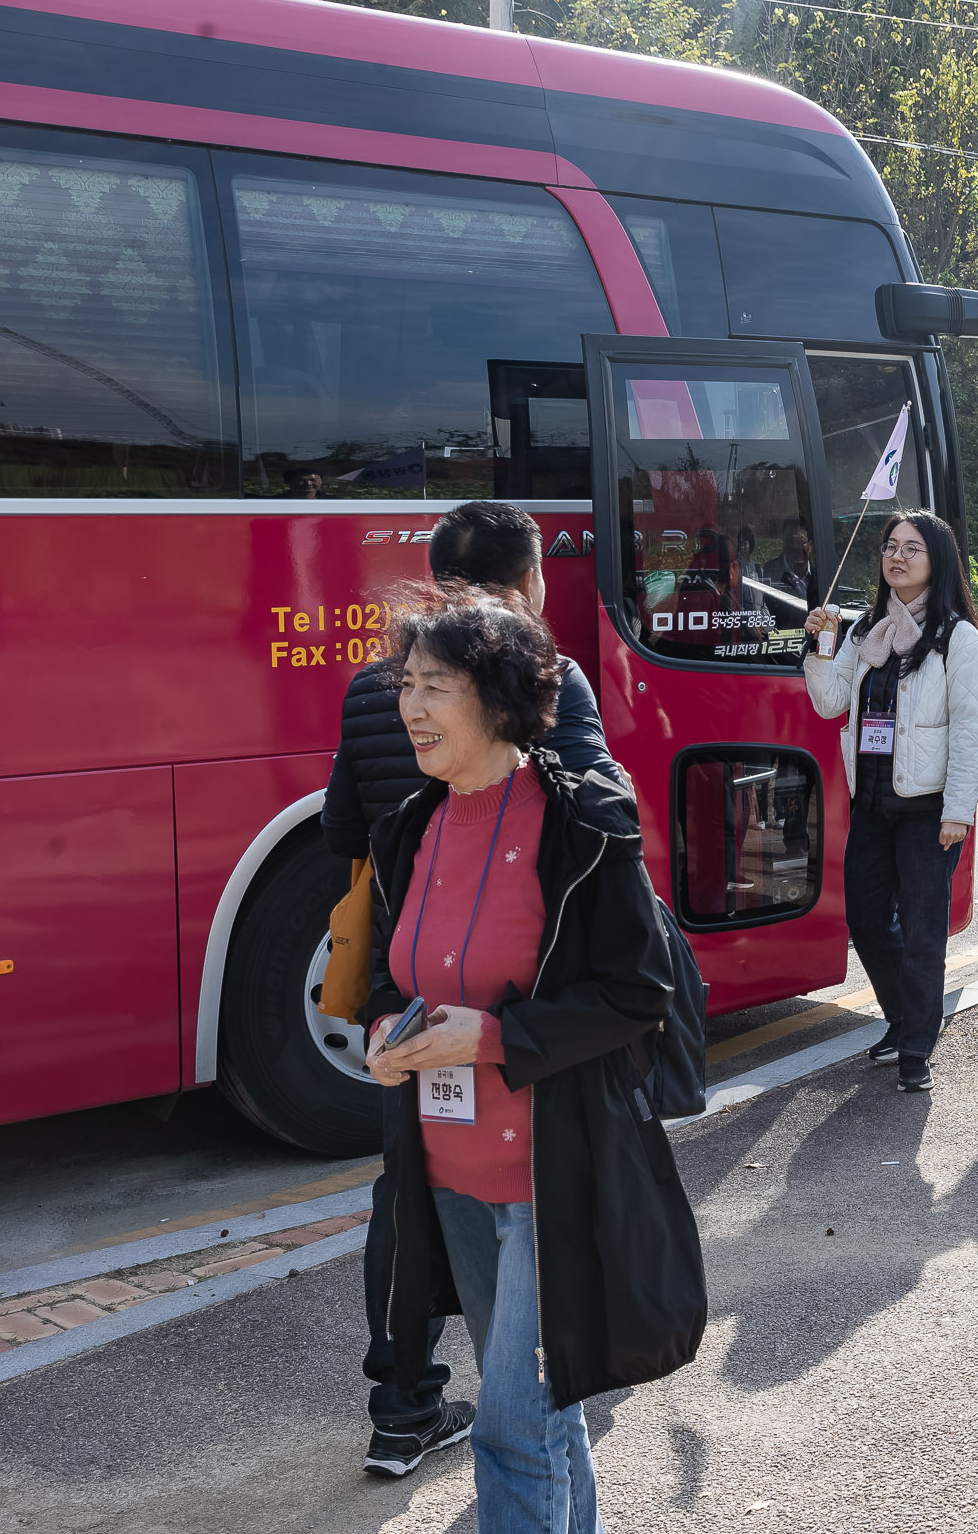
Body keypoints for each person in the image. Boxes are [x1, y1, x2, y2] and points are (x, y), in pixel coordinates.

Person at [360, 588, 703, 1534]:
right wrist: (387, 1028)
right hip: (447, 1174)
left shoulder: (582, 822)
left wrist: (497, 1037)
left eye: (436, 686)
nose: (412, 708)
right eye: (407, 685)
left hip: (551, 1175)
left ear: (498, 698)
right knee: (544, 1409)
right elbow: (393, 976)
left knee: (509, 1426)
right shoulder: (410, 828)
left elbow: (640, 992)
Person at [327, 501, 623, 1479]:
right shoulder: (547, 682)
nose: (415, 707)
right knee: (519, 1397)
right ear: (529, 579)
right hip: (490, 996)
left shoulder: (373, 689)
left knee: (402, 1193)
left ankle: (401, 1397)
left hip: (429, 986)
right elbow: (592, 822)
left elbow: (339, 829)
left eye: (429, 691)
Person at [801, 511, 978, 1093]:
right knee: (864, 916)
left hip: (930, 809)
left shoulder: (959, 639)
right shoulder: (864, 631)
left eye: (913, 548)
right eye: (890, 547)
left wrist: (959, 811)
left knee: (922, 930)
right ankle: (903, 1017)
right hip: (874, 804)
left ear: (938, 559)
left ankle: (915, 1048)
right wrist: (820, 644)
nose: (898, 557)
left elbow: (969, 731)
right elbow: (832, 703)